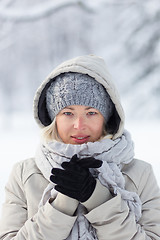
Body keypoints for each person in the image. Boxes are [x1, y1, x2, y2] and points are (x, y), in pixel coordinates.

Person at [0, 55, 160, 240]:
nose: (79, 125)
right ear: (54, 119)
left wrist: (99, 199)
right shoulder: (24, 174)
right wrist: (62, 204)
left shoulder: (139, 173)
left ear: (107, 118)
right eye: (68, 113)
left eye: (91, 113)